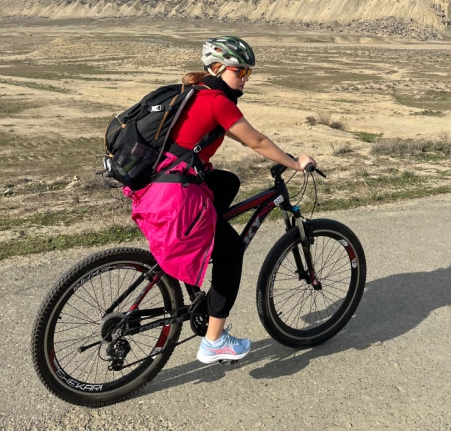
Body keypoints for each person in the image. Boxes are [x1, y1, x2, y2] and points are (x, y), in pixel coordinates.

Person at [124, 36, 317, 364]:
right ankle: (214, 342)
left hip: (161, 185)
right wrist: (295, 162)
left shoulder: (200, 94)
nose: (244, 78)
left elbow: (238, 137)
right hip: (176, 197)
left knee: (227, 181)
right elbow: (255, 140)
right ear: (216, 68)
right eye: (239, 70)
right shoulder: (217, 102)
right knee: (231, 254)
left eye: (248, 73)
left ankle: (197, 249)